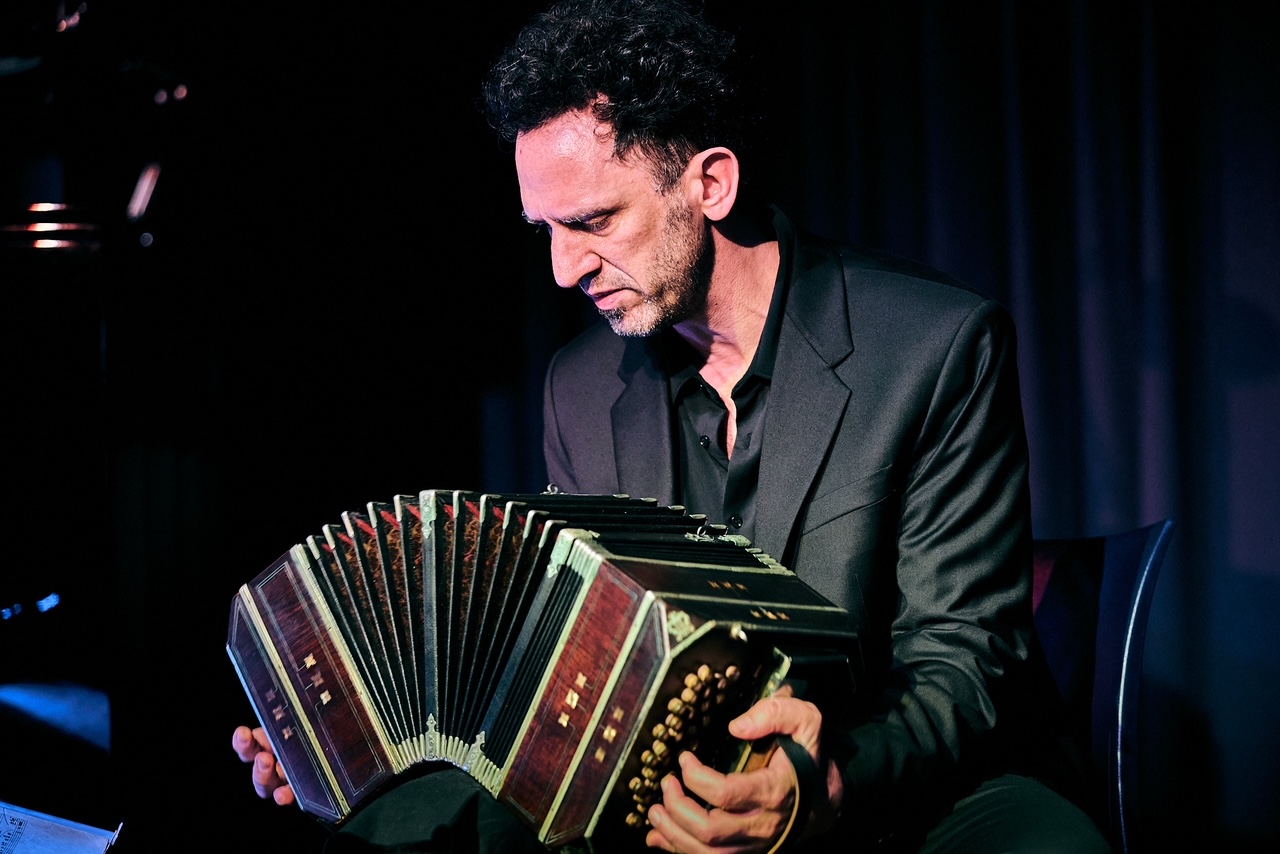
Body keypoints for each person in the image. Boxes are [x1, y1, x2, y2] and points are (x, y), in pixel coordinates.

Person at [234, 1, 1113, 851]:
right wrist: (349, 752)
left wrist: (826, 782)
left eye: (592, 221)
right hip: (670, 793)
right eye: (545, 230)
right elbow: (570, 660)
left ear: (710, 183)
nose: (564, 268)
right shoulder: (580, 388)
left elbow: (962, 655)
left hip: (896, 779)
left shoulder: (933, 344)